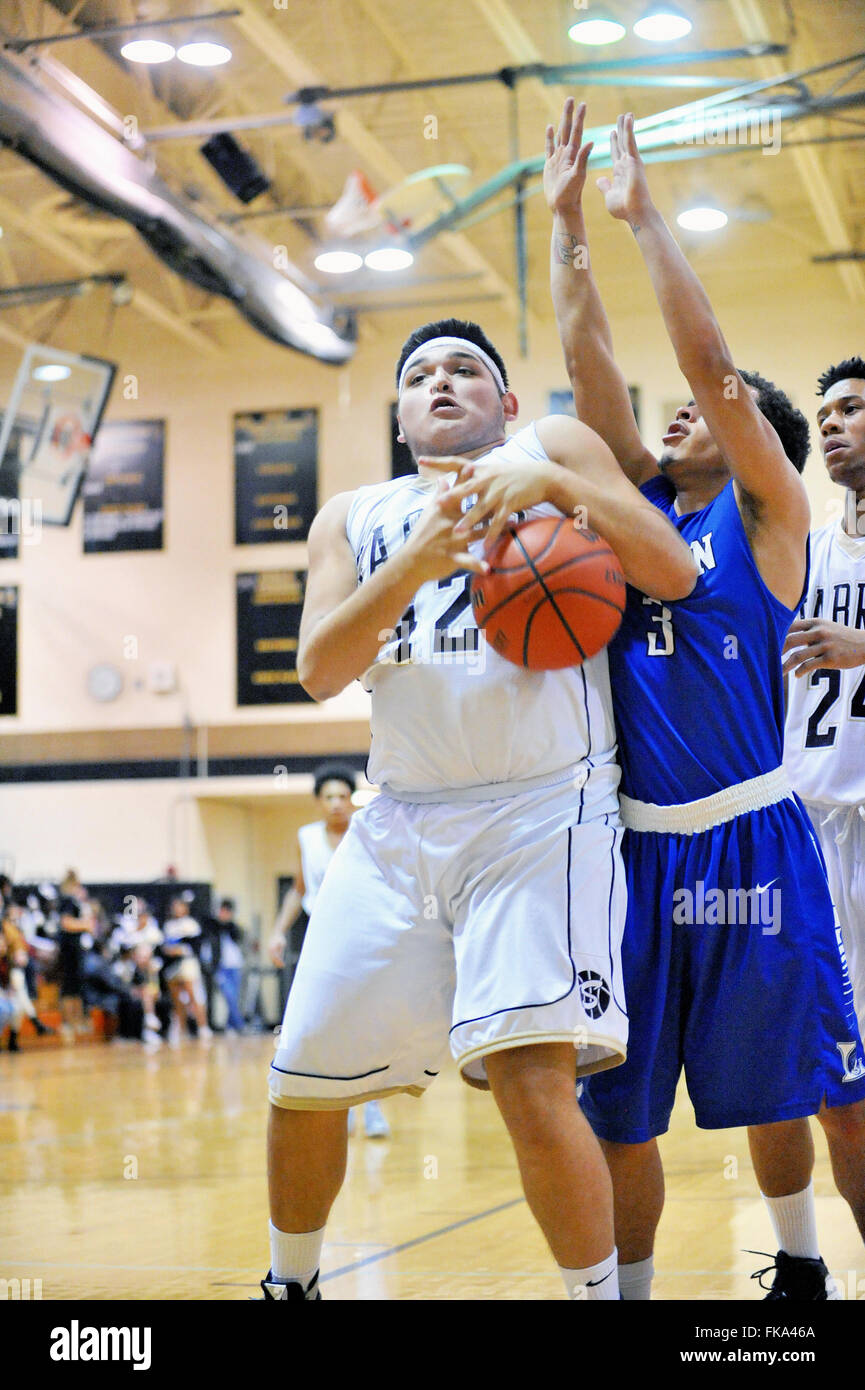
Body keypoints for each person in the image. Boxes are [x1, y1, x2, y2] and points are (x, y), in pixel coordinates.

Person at [259, 315, 697, 1302]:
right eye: (420, 374)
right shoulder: (354, 515)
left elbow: (671, 571)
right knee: (300, 1079)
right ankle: (289, 1286)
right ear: (400, 416)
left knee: (530, 1083)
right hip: (400, 820)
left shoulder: (554, 448)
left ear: (507, 402)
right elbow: (319, 670)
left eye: (465, 369)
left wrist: (553, 486)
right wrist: (412, 563)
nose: (441, 381)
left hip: (545, 811)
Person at [545, 100, 865, 1300]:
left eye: (703, 415)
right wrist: (568, 224)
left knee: (794, 1088)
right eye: (668, 414)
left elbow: (711, 368)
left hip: (752, 834)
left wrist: (643, 219)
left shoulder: (764, 514)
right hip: (631, 849)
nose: (677, 413)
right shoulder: (635, 514)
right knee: (618, 1109)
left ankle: (804, 1268)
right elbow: (588, 360)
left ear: (756, 447)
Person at [782, 357, 865, 1234]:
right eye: (827, 413)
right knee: (835, 1082)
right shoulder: (801, 551)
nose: (833, 423)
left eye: (853, 409)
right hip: (807, 831)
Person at [269, 763, 390, 1138]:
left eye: (342, 796)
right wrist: (277, 931)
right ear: (318, 802)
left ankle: (372, 1106)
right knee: (327, 1025)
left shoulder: (367, 831)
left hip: (365, 937)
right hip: (321, 941)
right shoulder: (306, 837)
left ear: (351, 799)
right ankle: (338, 1106)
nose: (336, 803)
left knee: (366, 1023)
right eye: (329, 797)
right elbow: (299, 890)